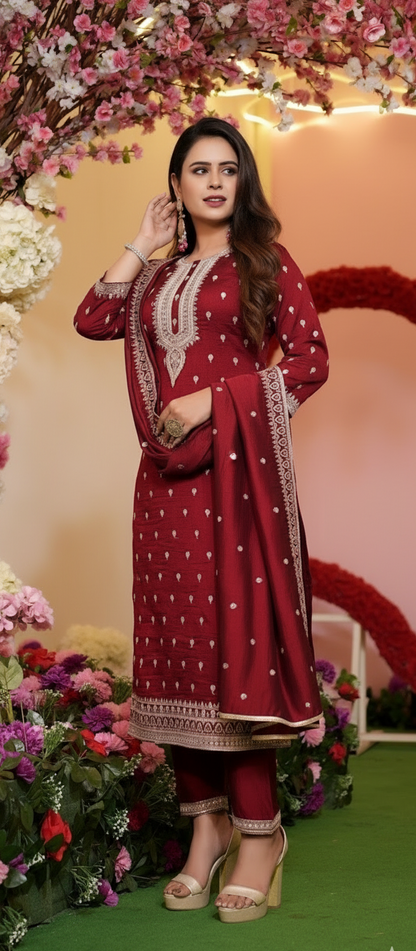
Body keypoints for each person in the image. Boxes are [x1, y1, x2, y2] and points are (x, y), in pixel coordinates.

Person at [74, 117, 329, 923]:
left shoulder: (266, 264)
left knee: (235, 646)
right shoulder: (154, 278)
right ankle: (207, 828)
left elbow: (311, 362)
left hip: (239, 485)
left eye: (228, 169)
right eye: (197, 170)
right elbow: (92, 317)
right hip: (166, 490)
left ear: (243, 182)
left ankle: (261, 833)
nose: (214, 182)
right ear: (177, 186)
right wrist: (139, 242)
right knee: (182, 649)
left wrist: (215, 402)